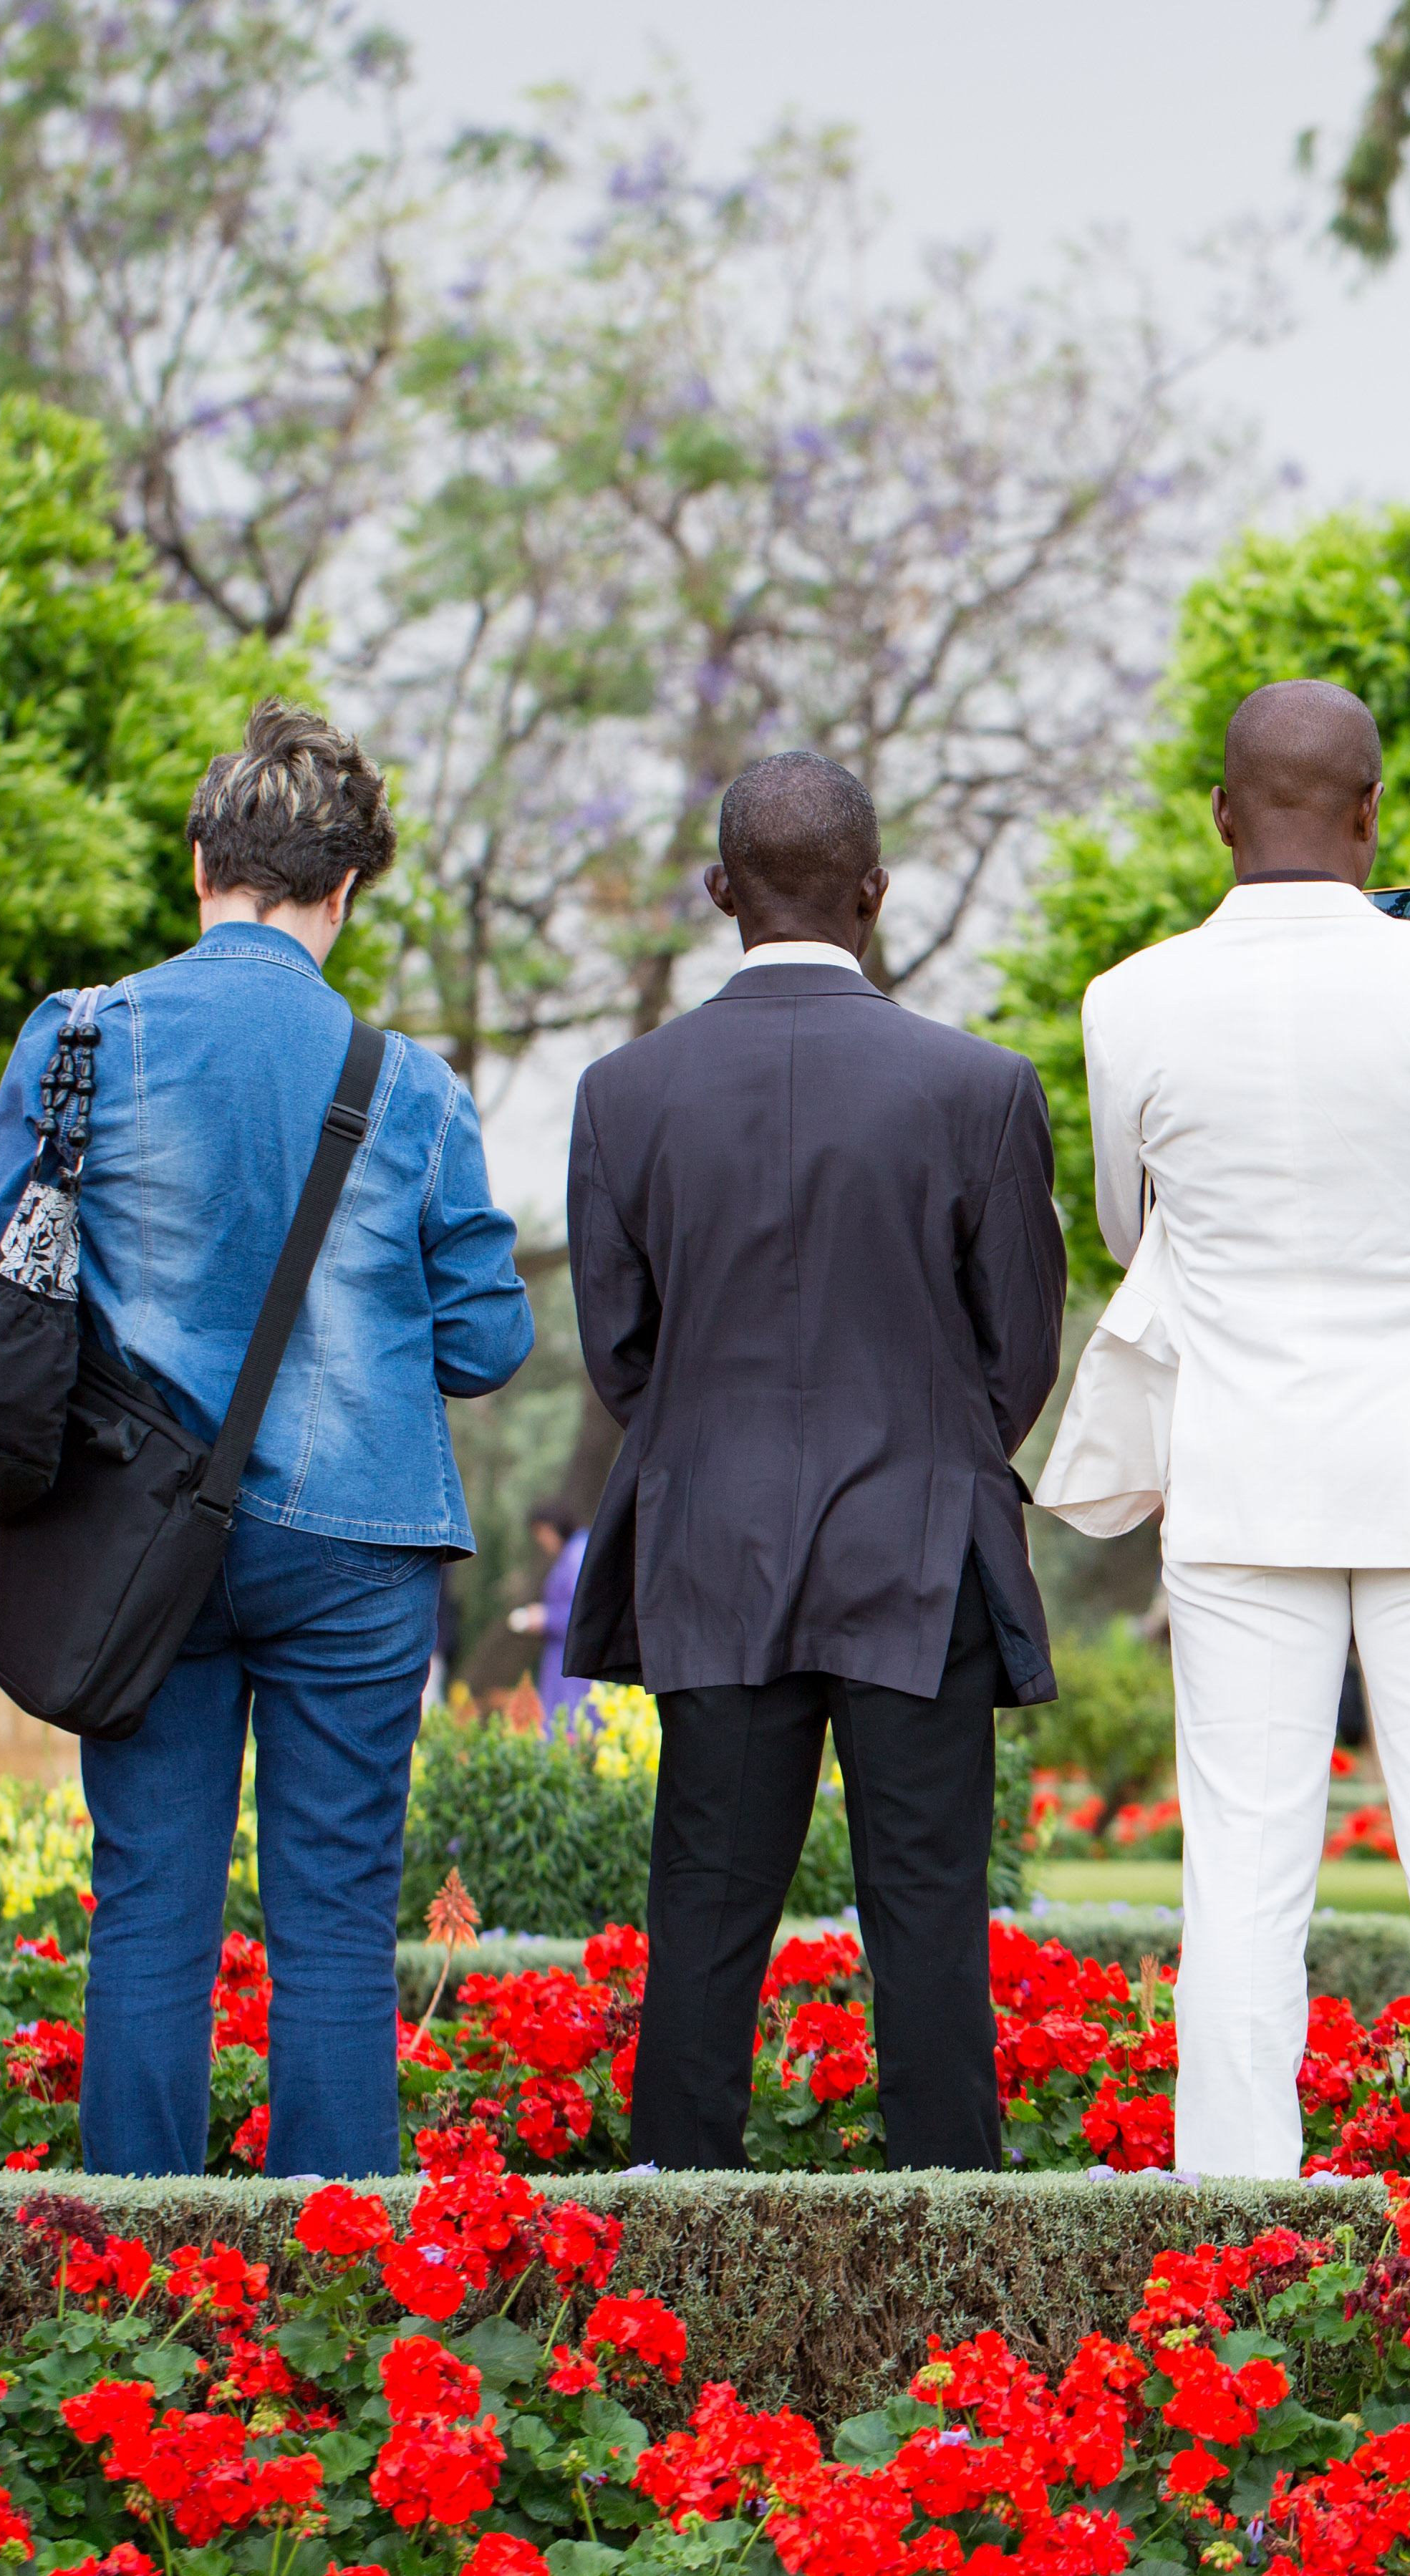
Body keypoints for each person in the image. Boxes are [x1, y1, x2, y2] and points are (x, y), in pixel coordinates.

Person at [0, 702, 528, 2180]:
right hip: (359, 1541)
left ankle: (145, 2272)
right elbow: (487, 1342)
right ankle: (331, 2298)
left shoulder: (80, 1037)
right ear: (346, 893)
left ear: (198, 857)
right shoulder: (410, 1085)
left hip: (136, 1539)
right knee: (334, 1917)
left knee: (151, 1900)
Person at [1038, 679, 1410, 2180]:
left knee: (1242, 1865)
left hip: (1238, 1465)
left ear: (1223, 815)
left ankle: (1232, 2200)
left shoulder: (1128, 998)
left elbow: (1121, 1223)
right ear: (1370, 817)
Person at [565, 752, 1065, 2173]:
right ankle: (949, 2252)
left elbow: (622, 1354)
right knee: (928, 1914)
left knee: (707, 1917)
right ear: (874, 891)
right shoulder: (979, 1088)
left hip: (711, 1546)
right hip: (920, 1545)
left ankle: (681, 2255)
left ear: (722, 892)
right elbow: (1017, 1349)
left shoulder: (623, 1093)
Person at [502, 1496, 594, 1728]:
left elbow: (582, 1613)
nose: (541, 1541)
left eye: (540, 1533)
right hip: (563, 1660)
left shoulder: (577, 1554)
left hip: (575, 1667)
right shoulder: (572, 1553)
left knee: (572, 1727)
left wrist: (545, 1618)